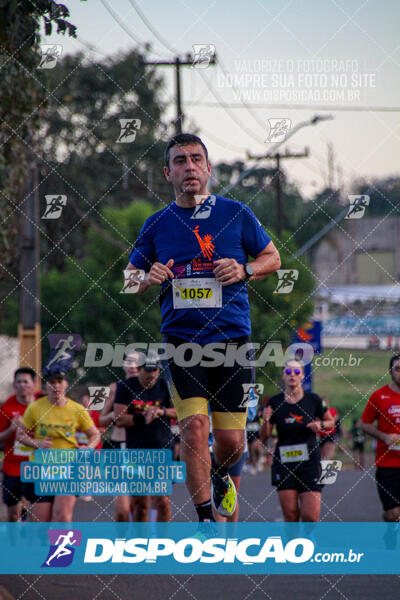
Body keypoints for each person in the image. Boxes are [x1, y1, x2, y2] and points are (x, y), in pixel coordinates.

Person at [128, 133, 280, 521]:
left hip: (231, 339)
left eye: (196, 159)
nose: (189, 167)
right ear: (168, 172)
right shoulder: (157, 224)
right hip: (182, 342)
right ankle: (205, 521)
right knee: (194, 427)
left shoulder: (236, 213)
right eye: (180, 161)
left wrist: (246, 269)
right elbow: (129, 280)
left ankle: (219, 473)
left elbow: (272, 257)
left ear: (208, 168)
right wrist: (148, 276)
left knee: (231, 442)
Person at [17, 370, 100, 522]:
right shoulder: (35, 407)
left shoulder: (77, 409)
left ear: (66, 384)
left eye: (59, 382)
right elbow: (20, 435)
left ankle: (64, 546)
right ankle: (44, 544)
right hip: (41, 468)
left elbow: (95, 434)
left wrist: (88, 447)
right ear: (45, 385)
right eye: (51, 382)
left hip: (68, 468)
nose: (56, 386)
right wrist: (38, 443)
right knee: (41, 521)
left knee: (62, 515)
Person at [260, 360, 334, 522]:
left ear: (303, 376)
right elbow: (264, 436)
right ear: (283, 376)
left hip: (310, 462)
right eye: (288, 372)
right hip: (284, 462)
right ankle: (294, 545)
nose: (292, 375)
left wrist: (320, 424)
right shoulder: (275, 402)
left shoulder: (313, 400)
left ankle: (309, 538)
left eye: (296, 372)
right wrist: (266, 420)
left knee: (310, 516)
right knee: (291, 514)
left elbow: (331, 422)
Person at [114, 353, 177, 522]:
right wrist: (142, 417)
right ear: (139, 370)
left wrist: (161, 411)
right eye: (147, 371)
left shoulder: (165, 385)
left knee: (163, 501)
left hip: (163, 450)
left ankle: (162, 543)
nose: (152, 375)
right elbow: (119, 419)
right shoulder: (125, 387)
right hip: (137, 452)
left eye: (155, 370)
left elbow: (180, 411)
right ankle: (139, 543)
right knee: (140, 505)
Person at [100, 350, 139, 521]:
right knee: (122, 509)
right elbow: (100, 419)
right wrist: (112, 417)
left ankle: (141, 542)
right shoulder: (114, 388)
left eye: (136, 362)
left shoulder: (152, 388)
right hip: (118, 446)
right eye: (128, 362)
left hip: (141, 448)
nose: (132, 366)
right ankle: (120, 542)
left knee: (139, 506)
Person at [360, 354, 400, 521]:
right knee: (394, 513)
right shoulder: (379, 396)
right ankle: (389, 519)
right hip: (387, 464)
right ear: (390, 371)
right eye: (398, 369)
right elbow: (364, 424)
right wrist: (383, 436)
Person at [0, 368, 41, 521]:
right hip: (13, 466)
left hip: (37, 464)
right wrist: (11, 429)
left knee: (39, 511)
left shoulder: (43, 404)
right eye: (19, 382)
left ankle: (35, 542)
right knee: (12, 513)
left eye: (26, 382)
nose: (22, 385)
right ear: (14, 384)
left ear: (34, 384)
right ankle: (13, 543)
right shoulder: (7, 407)